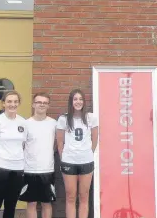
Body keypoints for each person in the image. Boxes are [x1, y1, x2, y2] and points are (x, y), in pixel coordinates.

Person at [0, 90, 27, 218]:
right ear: (3, 104)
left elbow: (23, 145)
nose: (12, 104)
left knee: (11, 205)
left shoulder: (23, 122)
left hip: (17, 169)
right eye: (9, 101)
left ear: (19, 103)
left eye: (15, 102)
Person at [57, 89, 99, 218]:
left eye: (80, 99)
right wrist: (64, 158)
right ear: (71, 101)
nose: (78, 102)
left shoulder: (91, 117)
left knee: (84, 196)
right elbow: (60, 142)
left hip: (86, 161)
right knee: (70, 196)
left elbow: (95, 139)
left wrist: (86, 153)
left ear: (84, 102)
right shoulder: (63, 119)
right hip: (69, 161)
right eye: (75, 99)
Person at [19, 92, 57, 218]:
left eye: (45, 103)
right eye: (39, 102)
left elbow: (56, 144)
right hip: (30, 169)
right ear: (33, 104)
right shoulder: (26, 124)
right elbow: (21, 145)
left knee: (47, 203)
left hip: (47, 169)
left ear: (48, 106)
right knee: (31, 203)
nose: (42, 105)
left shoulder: (54, 124)